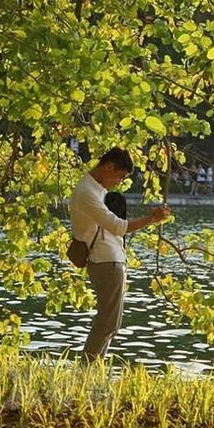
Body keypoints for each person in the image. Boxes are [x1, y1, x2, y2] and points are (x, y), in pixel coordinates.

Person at [69, 147, 171, 362]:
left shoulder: (96, 189)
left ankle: (92, 369)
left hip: (110, 258)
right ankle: (86, 371)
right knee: (107, 323)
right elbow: (117, 227)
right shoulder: (87, 192)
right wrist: (152, 219)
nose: (118, 181)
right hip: (105, 260)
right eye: (119, 176)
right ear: (108, 166)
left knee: (109, 323)